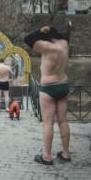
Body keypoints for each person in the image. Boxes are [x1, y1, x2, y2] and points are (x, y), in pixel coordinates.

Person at [24, 18, 72, 165]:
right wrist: (68, 23)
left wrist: (40, 31)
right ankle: (65, 154)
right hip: (63, 85)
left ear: (45, 36)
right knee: (63, 121)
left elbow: (28, 38)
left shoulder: (46, 47)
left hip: (49, 88)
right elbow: (66, 32)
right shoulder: (64, 44)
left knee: (48, 124)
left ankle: (47, 156)